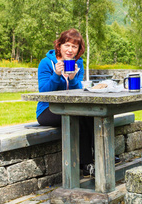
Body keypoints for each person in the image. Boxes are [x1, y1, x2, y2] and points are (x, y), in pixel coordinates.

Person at [36, 28, 95, 176]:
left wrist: (74, 78)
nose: (70, 50)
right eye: (67, 45)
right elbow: (43, 93)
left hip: (70, 107)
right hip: (47, 110)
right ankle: (86, 164)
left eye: (74, 47)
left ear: (78, 50)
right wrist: (56, 75)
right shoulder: (46, 63)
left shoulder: (78, 63)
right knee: (79, 116)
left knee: (92, 113)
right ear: (59, 46)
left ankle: (101, 155)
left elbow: (78, 92)